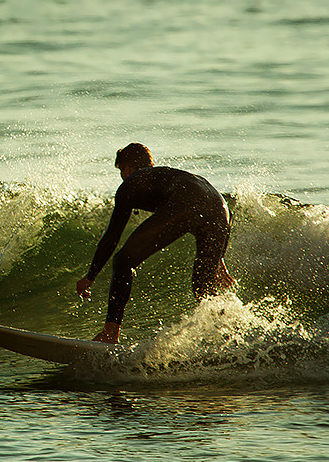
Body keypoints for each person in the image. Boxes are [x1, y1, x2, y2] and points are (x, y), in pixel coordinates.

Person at [76, 143, 234, 344]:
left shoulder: (132, 182)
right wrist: (219, 257)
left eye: (121, 170)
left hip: (189, 202)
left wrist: (90, 276)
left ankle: (110, 333)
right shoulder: (169, 177)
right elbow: (210, 205)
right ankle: (229, 332)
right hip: (220, 208)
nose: (122, 176)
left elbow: (112, 236)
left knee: (123, 261)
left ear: (130, 167)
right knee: (202, 288)